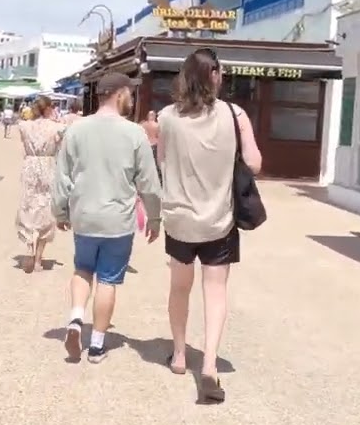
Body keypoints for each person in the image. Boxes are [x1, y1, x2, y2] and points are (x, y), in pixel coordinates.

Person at [156, 48, 262, 404]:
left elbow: (162, 161)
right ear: (214, 75)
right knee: (215, 292)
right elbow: (255, 163)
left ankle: (180, 355)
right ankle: (210, 365)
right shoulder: (236, 114)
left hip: (180, 219)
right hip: (219, 219)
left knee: (179, 288)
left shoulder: (167, 117)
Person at [52, 73, 161, 364]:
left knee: (82, 269)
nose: (134, 99)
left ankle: (76, 319)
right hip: (118, 220)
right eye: (131, 94)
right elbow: (149, 182)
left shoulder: (76, 130)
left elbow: (62, 175)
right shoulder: (134, 133)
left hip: (85, 215)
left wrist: (60, 210)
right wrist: (154, 217)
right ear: (119, 95)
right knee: (108, 280)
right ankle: (97, 344)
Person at [15, 96, 65, 274]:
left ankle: (29, 248)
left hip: (30, 164)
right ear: (49, 108)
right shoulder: (57, 127)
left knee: (28, 205)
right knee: (46, 209)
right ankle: (38, 259)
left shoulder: (25, 126)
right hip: (48, 165)